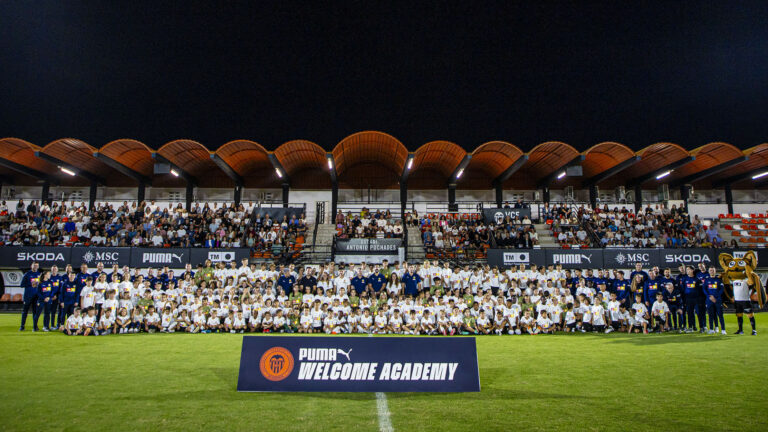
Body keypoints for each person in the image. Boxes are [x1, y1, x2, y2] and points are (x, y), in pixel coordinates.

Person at [702, 266, 725, 335]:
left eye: (713, 270)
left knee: (720, 315)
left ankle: (723, 330)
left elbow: (721, 290)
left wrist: (715, 297)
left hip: (717, 300)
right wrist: (710, 296)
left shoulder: (719, 280)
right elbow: (704, 289)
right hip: (709, 300)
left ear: (715, 271)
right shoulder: (706, 280)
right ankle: (711, 329)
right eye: (710, 270)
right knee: (710, 315)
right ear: (709, 271)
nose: (711, 271)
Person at [19, 262, 41, 331]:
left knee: (35, 312)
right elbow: (22, 285)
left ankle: (35, 326)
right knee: (25, 311)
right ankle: (22, 326)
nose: (35, 267)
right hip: (28, 296)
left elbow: (41, 285)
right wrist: (31, 284)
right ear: (31, 266)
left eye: (37, 266)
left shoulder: (39, 274)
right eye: (34, 266)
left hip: (36, 296)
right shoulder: (27, 274)